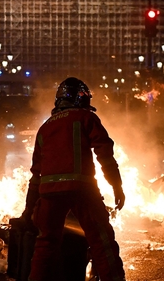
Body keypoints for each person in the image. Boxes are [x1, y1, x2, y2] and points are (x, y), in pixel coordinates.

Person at [22, 77, 126, 281]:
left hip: (49, 195)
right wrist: (116, 185)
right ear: (80, 99)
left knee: (45, 245)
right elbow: (104, 153)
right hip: (82, 190)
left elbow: (36, 174)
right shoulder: (85, 117)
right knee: (101, 241)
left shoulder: (44, 128)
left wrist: (29, 208)